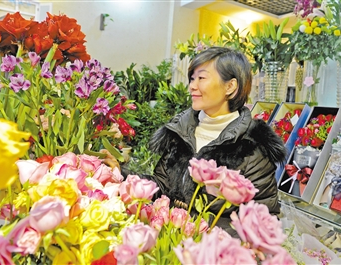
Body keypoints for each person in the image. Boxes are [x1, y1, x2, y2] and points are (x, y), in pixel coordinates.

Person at [104, 46, 286, 235]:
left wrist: (197, 229)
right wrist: (120, 174)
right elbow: (161, 186)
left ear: (230, 86)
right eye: (192, 78)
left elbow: (264, 222)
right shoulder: (181, 131)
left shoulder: (253, 147)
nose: (192, 86)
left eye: (201, 78)